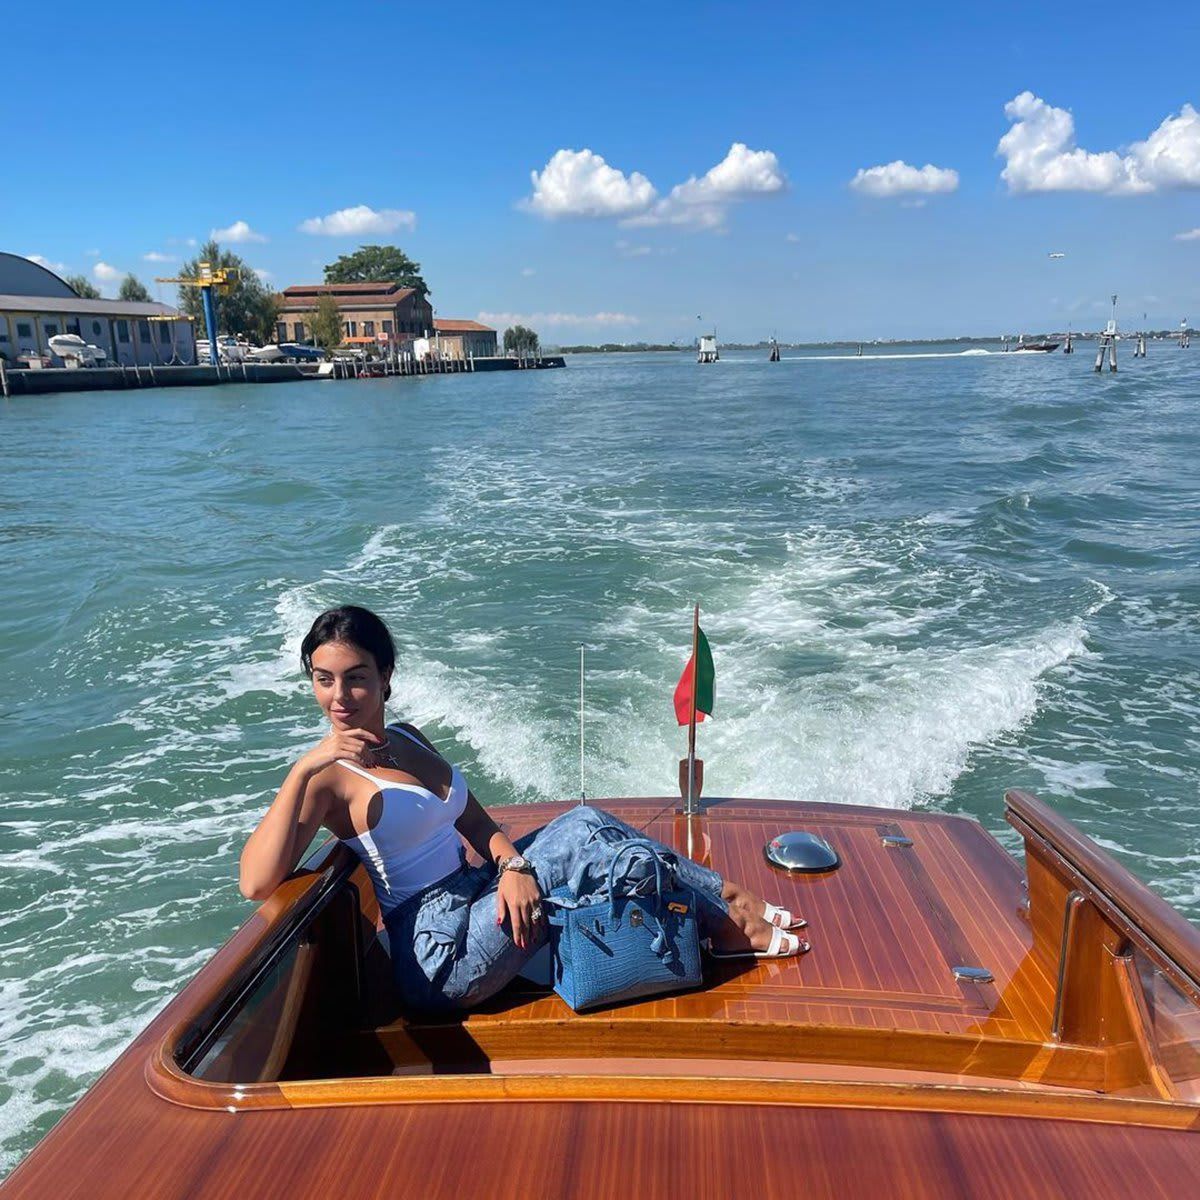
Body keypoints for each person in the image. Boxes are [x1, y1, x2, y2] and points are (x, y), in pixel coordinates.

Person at [240, 605, 808, 1013]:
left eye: (356, 678)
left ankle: (728, 905)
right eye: (324, 680)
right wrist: (302, 768)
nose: (340, 697)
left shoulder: (409, 738)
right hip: (441, 955)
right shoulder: (329, 780)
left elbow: (478, 823)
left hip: (478, 890)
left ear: (386, 678)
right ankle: (730, 914)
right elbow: (255, 883)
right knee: (581, 843)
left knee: (584, 822)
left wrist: (514, 869)